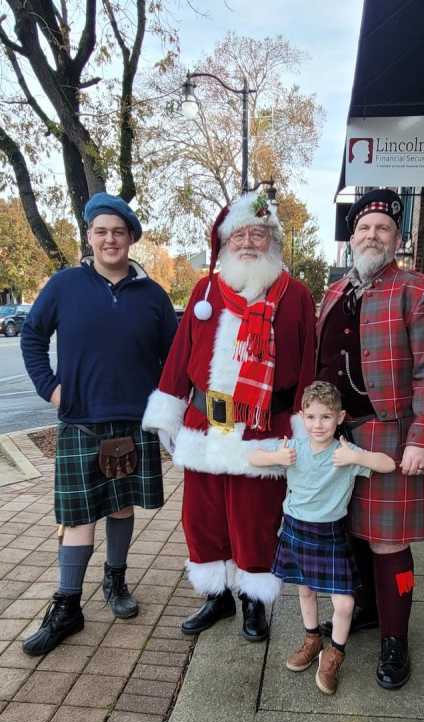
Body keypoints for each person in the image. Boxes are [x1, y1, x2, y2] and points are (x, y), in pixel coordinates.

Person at [142, 191, 316, 642]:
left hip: (264, 428)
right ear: (224, 243)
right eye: (239, 234)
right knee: (203, 517)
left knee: (255, 520)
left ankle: (253, 601)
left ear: (272, 242)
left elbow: (309, 363)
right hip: (206, 425)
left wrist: (301, 426)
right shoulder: (204, 291)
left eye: (258, 234)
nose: (248, 242)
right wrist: (169, 409)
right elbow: (181, 355)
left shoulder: (294, 296)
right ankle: (215, 597)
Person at [21, 193, 178, 656]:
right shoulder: (65, 285)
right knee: (76, 517)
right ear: (89, 237)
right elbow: (32, 334)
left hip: (132, 423)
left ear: (131, 238)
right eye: (101, 231)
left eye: (119, 231)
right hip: (80, 422)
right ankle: (68, 605)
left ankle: (116, 580)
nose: (110, 239)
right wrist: (49, 388)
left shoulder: (152, 296)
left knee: (121, 507)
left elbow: (174, 358)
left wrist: (170, 407)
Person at [317, 188, 424, 689]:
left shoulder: (420, 290)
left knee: (388, 543)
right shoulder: (334, 292)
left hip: (390, 437)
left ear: (398, 238)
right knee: (347, 532)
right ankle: (369, 613)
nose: (372, 235)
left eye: (383, 228)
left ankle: (396, 637)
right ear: (352, 236)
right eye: (364, 227)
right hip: (335, 437)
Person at [248, 381, 395, 695]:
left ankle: (334, 655)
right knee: (305, 591)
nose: (318, 424)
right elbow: (253, 457)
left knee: (344, 603)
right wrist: (277, 459)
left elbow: (388, 464)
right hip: (296, 529)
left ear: (340, 417)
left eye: (326, 417)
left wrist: (358, 460)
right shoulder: (294, 448)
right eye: (312, 417)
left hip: (329, 534)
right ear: (302, 417)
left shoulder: (345, 451)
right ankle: (313, 640)